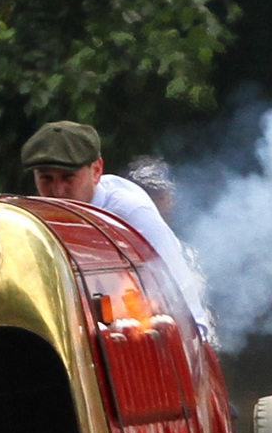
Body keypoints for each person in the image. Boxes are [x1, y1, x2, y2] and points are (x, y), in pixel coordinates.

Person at [22, 121, 209, 328]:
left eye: (68, 178)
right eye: (46, 179)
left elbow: (180, 291)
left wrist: (194, 344)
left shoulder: (130, 212)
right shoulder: (34, 215)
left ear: (96, 170)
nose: (57, 191)